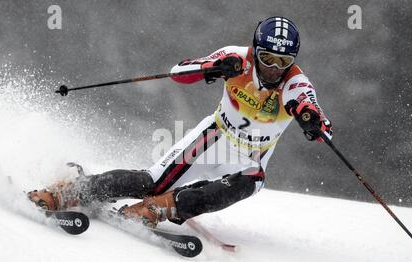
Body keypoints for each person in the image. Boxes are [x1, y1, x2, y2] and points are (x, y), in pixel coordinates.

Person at [29, 16, 333, 228]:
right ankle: (68, 192)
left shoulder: (296, 85)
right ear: (256, 50)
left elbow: (319, 121)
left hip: (250, 159)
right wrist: (211, 67)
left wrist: (312, 121)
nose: (274, 68)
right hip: (214, 138)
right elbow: (178, 72)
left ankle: (157, 209)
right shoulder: (237, 59)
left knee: (251, 182)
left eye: (284, 62)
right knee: (153, 182)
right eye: (268, 59)